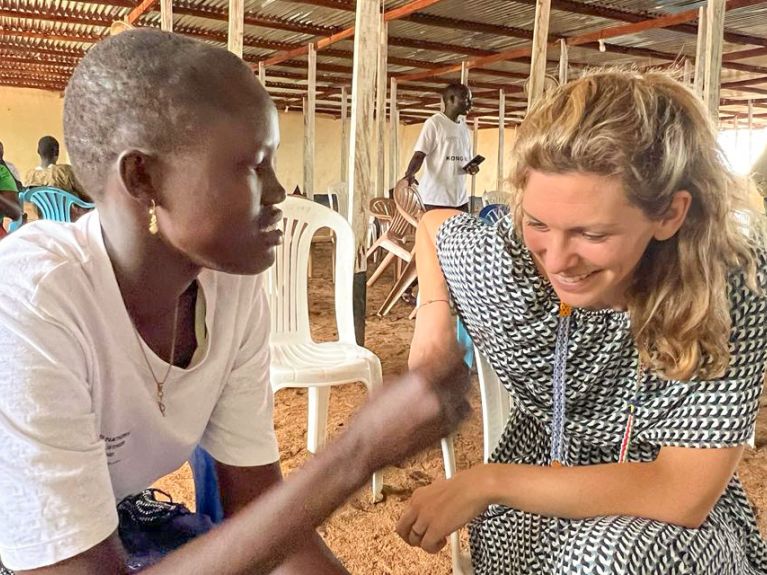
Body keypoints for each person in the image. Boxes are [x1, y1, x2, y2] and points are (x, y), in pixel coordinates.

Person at [0, 29, 470, 575]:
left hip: (115, 525)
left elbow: (260, 515)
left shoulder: (228, 284)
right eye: (253, 165)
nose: (279, 192)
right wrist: (355, 454)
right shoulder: (34, 299)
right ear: (143, 177)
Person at [399, 70, 767, 574]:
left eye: (591, 234)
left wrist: (485, 481)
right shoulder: (509, 266)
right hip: (531, 492)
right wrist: (434, 324)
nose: (556, 259)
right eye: (538, 222)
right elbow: (433, 225)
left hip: (658, 511)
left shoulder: (722, 285)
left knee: (605, 559)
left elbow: (682, 492)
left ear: (669, 215)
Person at [403, 83, 478, 213]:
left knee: (460, 233)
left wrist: (471, 168)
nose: (470, 104)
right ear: (451, 99)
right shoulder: (434, 123)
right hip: (435, 200)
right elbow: (419, 154)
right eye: (466, 99)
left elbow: (465, 162)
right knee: (435, 234)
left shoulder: (465, 129)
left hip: (460, 201)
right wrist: (410, 174)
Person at [24, 135, 91, 202]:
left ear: (38, 151)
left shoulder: (29, 176)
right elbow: (86, 195)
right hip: (68, 211)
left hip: (38, 212)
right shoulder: (65, 171)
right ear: (57, 152)